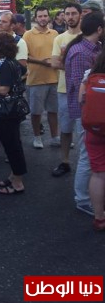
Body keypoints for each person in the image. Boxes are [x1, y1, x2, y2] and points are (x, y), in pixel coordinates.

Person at [63, 12, 104, 217]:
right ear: (99, 29)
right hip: (86, 113)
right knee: (87, 157)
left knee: (91, 157)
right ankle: (83, 199)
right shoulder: (80, 52)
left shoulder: (93, 48)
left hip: (93, 113)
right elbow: (81, 91)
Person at [0, 32, 28, 195]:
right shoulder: (13, 63)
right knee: (13, 144)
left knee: (12, 146)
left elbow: (3, 89)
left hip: (7, 111)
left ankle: (17, 182)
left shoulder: (4, 65)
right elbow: (24, 71)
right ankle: (13, 176)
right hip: (14, 110)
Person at [50, 3, 82, 178]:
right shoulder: (60, 39)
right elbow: (54, 63)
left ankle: (87, 163)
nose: (70, 17)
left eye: (73, 13)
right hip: (64, 89)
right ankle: (65, 161)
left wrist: (67, 64)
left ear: (80, 15)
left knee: (86, 129)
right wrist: (79, 67)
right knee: (66, 128)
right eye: (67, 14)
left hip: (86, 90)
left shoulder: (89, 36)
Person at [23, 6, 60, 149]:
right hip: (35, 80)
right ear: (35, 18)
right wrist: (41, 62)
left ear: (49, 17)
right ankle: (37, 137)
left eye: (45, 16)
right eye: (40, 16)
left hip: (54, 78)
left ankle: (55, 137)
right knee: (36, 112)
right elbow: (24, 56)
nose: (43, 18)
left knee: (53, 111)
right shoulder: (28, 35)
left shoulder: (55, 33)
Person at [79, 48, 105, 230]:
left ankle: (99, 218)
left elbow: (81, 100)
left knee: (98, 174)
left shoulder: (89, 75)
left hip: (95, 131)